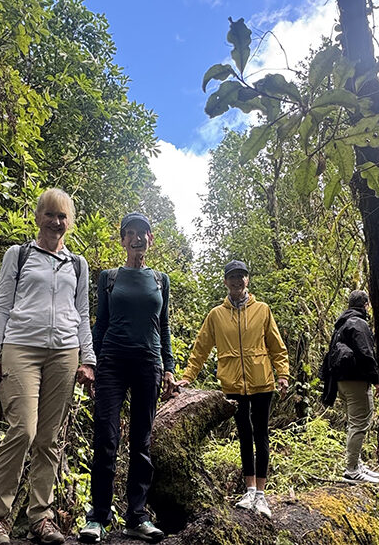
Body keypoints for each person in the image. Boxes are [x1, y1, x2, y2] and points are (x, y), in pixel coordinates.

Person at [0, 188, 96, 545]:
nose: (56, 222)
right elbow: (1, 307)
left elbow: (82, 315)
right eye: (50, 214)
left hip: (64, 352)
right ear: (38, 217)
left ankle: (41, 517)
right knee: (22, 431)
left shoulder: (77, 264)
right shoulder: (19, 255)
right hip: (20, 348)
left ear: (69, 222)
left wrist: (88, 359)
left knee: (50, 439)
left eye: (62, 216)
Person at [79, 212, 174, 544]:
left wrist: (169, 367)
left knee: (142, 442)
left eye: (142, 233)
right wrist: (89, 362)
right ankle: (98, 518)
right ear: (122, 240)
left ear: (151, 239)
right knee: (106, 438)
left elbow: (163, 327)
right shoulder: (109, 278)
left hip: (148, 363)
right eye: (130, 233)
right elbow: (99, 324)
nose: (136, 238)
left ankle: (136, 517)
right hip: (112, 362)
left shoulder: (160, 280)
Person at [175, 260, 289, 518]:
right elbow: (201, 348)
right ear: (225, 281)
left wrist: (282, 375)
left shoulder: (262, 310)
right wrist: (187, 377)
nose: (237, 281)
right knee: (244, 434)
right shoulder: (216, 315)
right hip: (232, 384)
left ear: (247, 280)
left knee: (261, 434)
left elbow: (276, 347)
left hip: (262, 382)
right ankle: (249, 491)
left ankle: (261, 494)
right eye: (232, 277)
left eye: (241, 276)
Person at [320, 289, 379, 484]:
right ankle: (352, 469)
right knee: (359, 424)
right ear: (365, 304)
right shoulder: (358, 323)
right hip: (356, 381)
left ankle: (357, 464)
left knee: (354, 423)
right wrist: (377, 379)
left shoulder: (342, 323)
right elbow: (366, 354)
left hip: (342, 382)